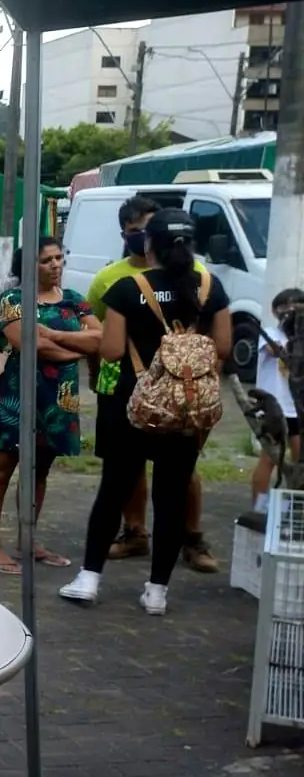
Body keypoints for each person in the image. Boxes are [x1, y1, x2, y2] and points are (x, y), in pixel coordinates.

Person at [62, 209, 231, 615]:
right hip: (187, 410)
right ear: (192, 243)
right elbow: (222, 349)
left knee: (114, 490)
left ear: (148, 243)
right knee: (172, 498)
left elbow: (113, 351)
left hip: (131, 406)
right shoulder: (211, 286)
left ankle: (89, 578)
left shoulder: (126, 287)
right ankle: (157, 592)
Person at [87, 196, 218, 574]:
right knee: (130, 474)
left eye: (147, 229)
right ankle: (136, 534)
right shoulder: (107, 279)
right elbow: (99, 332)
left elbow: (106, 343)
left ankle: (191, 539)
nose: (141, 237)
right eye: (134, 230)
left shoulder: (199, 279)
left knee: (174, 477)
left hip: (181, 394)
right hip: (124, 392)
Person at [0, 237, 100, 574]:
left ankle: (27, 539)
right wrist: (78, 348)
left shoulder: (75, 301)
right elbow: (30, 345)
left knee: (39, 470)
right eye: (47, 260)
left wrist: (56, 336)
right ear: (29, 266)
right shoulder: (13, 300)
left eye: (59, 258)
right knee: (1, 468)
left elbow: (99, 338)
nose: (56, 265)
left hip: (58, 400)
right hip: (16, 397)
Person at [251, 288, 304, 512]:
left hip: (297, 410)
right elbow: (276, 351)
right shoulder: (271, 334)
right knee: (269, 458)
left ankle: (295, 509)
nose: (293, 314)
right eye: (289, 308)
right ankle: (259, 507)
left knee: (300, 461)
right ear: (276, 311)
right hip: (273, 407)